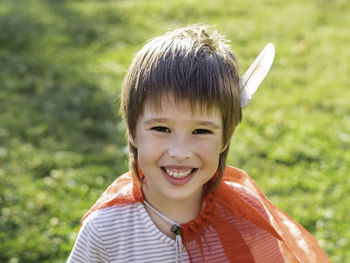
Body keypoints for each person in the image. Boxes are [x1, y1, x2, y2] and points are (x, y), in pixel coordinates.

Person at [67, 25, 330, 263]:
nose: (180, 152)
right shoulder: (105, 230)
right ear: (133, 132)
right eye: (161, 128)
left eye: (201, 130)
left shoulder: (247, 221)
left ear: (225, 138)